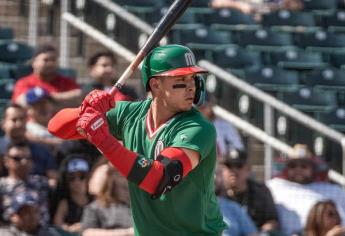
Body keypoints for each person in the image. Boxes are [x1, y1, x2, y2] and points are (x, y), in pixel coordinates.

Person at [49, 44, 227, 235]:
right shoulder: (130, 114)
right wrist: (85, 109)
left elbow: (160, 179)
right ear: (156, 85)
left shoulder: (199, 128)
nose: (191, 86)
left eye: (193, 78)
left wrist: (104, 142)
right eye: (181, 79)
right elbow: (57, 128)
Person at [267, 144, 345, 235]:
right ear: (286, 168)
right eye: (293, 166)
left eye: (304, 166)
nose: (298, 169)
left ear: (313, 169)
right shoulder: (274, 186)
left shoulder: (334, 190)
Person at [217, 148, 279, 234]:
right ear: (222, 170)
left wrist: (261, 233)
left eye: (239, 166)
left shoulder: (260, 191)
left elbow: (272, 221)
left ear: (248, 169)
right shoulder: (216, 192)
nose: (234, 171)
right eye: (229, 166)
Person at [0, 103, 57, 185]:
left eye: (22, 119)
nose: (19, 124)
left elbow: (53, 179)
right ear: (3, 123)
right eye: (14, 120)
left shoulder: (42, 150)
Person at [12, 44, 82, 107]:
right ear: (34, 62)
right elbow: (20, 102)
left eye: (53, 60)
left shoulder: (66, 82)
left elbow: (79, 96)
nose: (50, 64)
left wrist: (50, 97)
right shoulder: (24, 82)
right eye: (46, 60)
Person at [0, 141, 50, 226]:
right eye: (17, 158)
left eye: (27, 158)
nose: (24, 162)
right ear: (6, 161)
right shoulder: (1, 186)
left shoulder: (42, 183)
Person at [81, 159, 133, 236]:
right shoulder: (95, 208)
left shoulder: (138, 206)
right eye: (116, 174)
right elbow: (87, 233)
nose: (123, 179)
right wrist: (127, 233)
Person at [53, 155, 91, 233]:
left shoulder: (95, 200)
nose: (77, 182)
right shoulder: (65, 203)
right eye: (72, 178)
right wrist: (70, 229)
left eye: (82, 177)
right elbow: (58, 224)